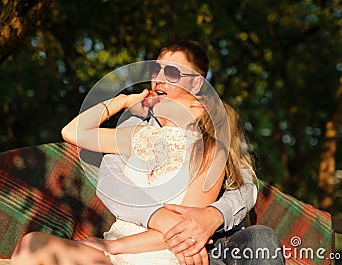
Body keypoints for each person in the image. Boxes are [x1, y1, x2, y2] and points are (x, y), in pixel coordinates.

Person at [11, 73, 231, 264]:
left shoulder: (211, 152)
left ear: (199, 107)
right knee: (33, 244)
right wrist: (123, 101)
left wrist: (114, 247)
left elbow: (185, 231)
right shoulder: (139, 136)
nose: (158, 84)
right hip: (114, 249)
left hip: (161, 252)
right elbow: (72, 131)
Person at [96, 40, 284, 265]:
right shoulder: (137, 122)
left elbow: (245, 183)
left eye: (173, 72)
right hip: (167, 238)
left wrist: (215, 215)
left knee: (262, 237)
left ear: (196, 85)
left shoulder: (216, 120)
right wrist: (164, 221)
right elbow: (110, 176)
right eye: (156, 69)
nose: (160, 78)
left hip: (221, 239)